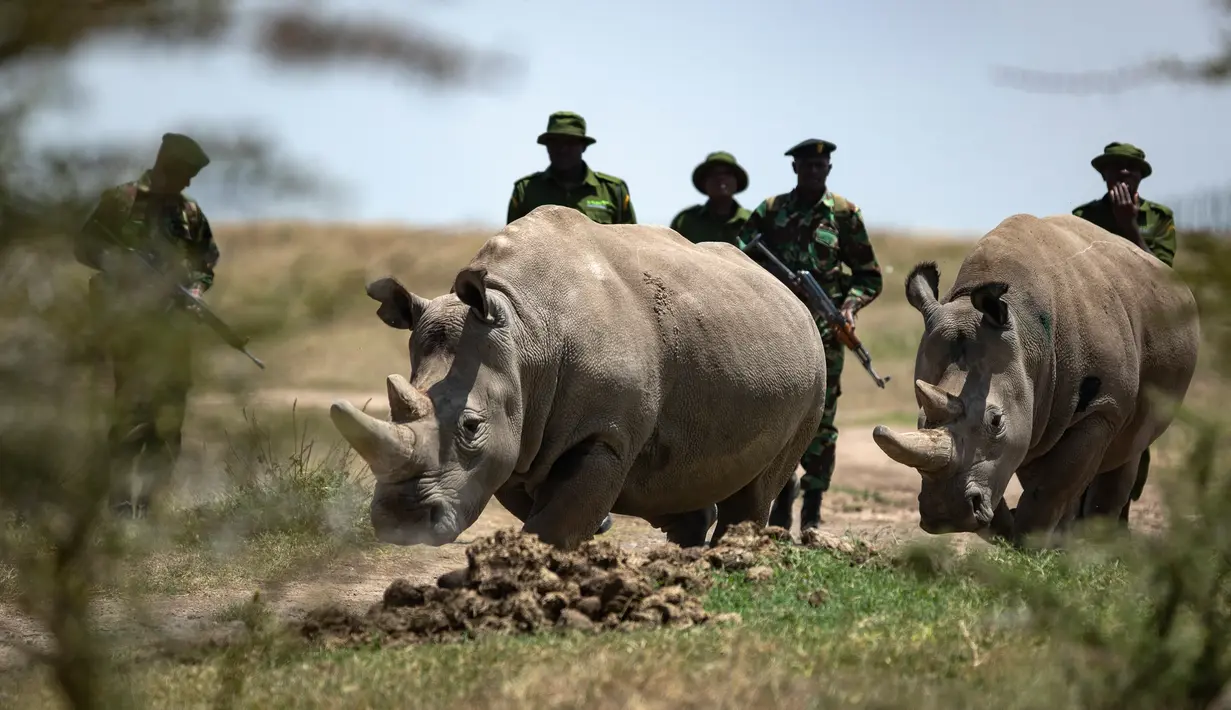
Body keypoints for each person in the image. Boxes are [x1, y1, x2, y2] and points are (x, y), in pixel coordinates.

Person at [737, 138, 884, 532]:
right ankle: (781, 504)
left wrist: (849, 307)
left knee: (821, 422)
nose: (814, 172)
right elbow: (738, 253)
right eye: (807, 166)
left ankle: (813, 513)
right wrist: (767, 284)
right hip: (773, 332)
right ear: (795, 169)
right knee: (777, 416)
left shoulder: (844, 215)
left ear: (829, 171)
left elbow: (870, 276)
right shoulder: (771, 211)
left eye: (821, 167)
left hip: (824, 335)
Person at [75, 132, 219, 519]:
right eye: (186, 172)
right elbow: (85, 247)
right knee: (132, 416)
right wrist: (124, 267)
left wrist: (195, 290)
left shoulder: (189, 212)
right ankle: (121, 505)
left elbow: (206, 262)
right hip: (132, 328)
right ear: (167, 165)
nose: (189, 182)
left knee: (169, 420)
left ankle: (154, 506)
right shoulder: (121, 201)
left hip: (175, 331)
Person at [1072, 141, 1178, 524]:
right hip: (1094, 334)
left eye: (1129, 170)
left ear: (1139, 177)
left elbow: (1162, 277)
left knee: (1134, 425)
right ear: (1103, 175)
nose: (1121, 175)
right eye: (1114, 169)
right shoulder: (1083, 217)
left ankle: (1118, 512)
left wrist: (1130, 224)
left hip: (1142, 338)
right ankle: (1076, 508)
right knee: (1083, 419)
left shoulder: (1158, 218)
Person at [506, 111, 636, 226]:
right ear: (547, 146)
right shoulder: (525, 190)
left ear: (583, 146)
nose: (562, 149)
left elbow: (630, 244)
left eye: (570, 142)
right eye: (555, 142)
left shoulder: (614, 191)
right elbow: (512, 247)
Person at [669, 151, 753, 245]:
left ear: (737, 181)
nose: (721, 178)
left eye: (727, 173)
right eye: (714, 174)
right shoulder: (686, 221)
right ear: (704, 183)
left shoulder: (753, 222)